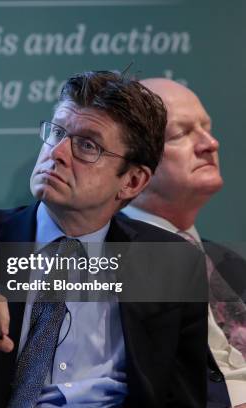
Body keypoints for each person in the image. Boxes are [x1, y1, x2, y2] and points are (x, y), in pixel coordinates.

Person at [0, 71, 208, 407]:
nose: (58, 153)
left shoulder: (169, 263)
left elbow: (183, 397)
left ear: (133, 181)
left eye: (87, 145)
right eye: (57, 132)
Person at [123, 78, 246, 408]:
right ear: (132, 169)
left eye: (207, 128)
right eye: (180, 134)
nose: (210, 143)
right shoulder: (104, 262)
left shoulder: (234, 264)